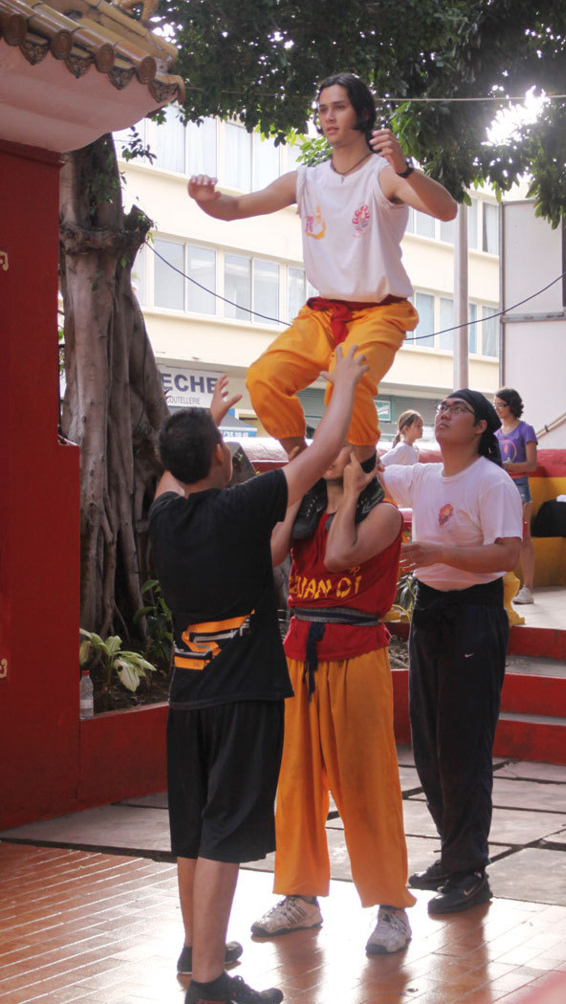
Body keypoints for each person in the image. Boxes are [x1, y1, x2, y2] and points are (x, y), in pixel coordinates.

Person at [148, 345, 368, 1004]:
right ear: (220, 456)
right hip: (242, 696)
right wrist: (347, 383)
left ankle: (197, 951)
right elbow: (322, 445)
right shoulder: (242, 508)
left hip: (187, 701)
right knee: (221, 832)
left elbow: (170, 472)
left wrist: (204, 425)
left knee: (191, 830)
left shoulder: (164, 516)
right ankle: (211, 982)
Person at [188, 72, 457, 530]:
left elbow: (447, 209)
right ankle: (303, 466)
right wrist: (207, 201)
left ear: (362, 113)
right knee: (264, 378)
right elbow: (236, 208)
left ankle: (367, 468)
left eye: (338, 107)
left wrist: (407, 167)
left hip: (380, 311)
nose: (327, 117)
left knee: (343, 386)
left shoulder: (384, 174)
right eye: (322, 109)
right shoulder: (306, 180)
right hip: (321, 312)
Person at [250, 446, 415, 955]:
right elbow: (272, 555)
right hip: (300, 651)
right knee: (295, 782)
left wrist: (351, 493)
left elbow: (342, 554)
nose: (325, 448)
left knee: (367, 782)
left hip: (357, 651)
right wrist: (295, 493)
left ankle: (391, 908)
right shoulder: (303, 506)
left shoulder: (383, 513)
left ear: (364, 452)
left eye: (340, 441)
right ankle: (301, 898)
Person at [380, 391, 522, 915]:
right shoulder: (422, 475)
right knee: (430, 743)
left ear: (482, 426)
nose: (443, 414)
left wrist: (440, 552)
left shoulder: (491, 481)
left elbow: (506, 554)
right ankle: (452, 853)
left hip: (474, 617)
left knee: (464, 747)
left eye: (456, 409)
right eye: (440, 407)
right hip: (430, 615)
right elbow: (367, 470)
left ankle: (470, 873)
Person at [493, 388, 538, 605]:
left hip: (520, 485)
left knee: (523, 536)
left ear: (511, 405)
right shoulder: (495, 434)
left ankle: (527, 587)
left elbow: (532, 464)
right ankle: (500, 584)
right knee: (499, 535)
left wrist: (506, 465)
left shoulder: (525, 430)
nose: (498, 409)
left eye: (501, 405)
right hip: (500, 485)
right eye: (495, 406)